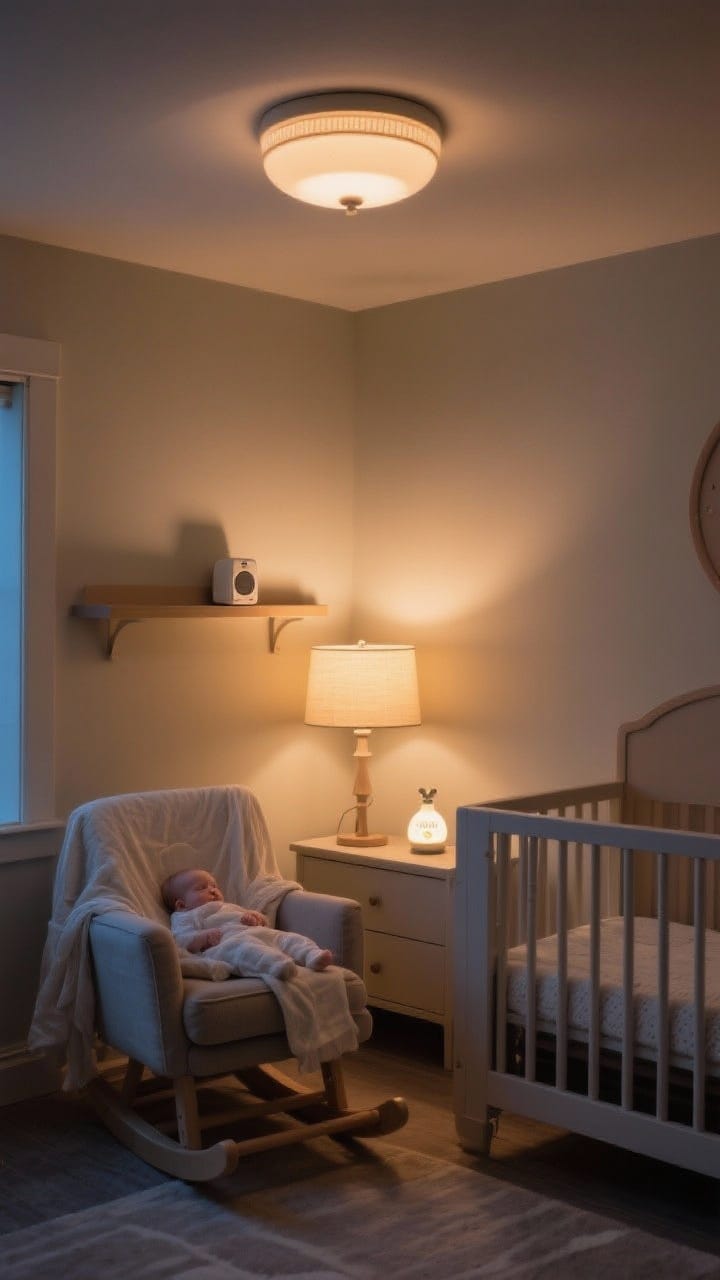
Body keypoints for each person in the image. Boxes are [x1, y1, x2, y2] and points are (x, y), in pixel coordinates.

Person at [161, 867, 333, 980]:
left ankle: (311, 954)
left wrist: (254, 918)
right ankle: (275, 965)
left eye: (214, 885)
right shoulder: (185, 915)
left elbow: (258, 919)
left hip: (255, 932)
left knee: (285, 937)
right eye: (201, 888)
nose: (212, 890)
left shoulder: (227, 906)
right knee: (246, 950)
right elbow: (181, 940)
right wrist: (202, 938)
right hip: (226, 942)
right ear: (181, 904)